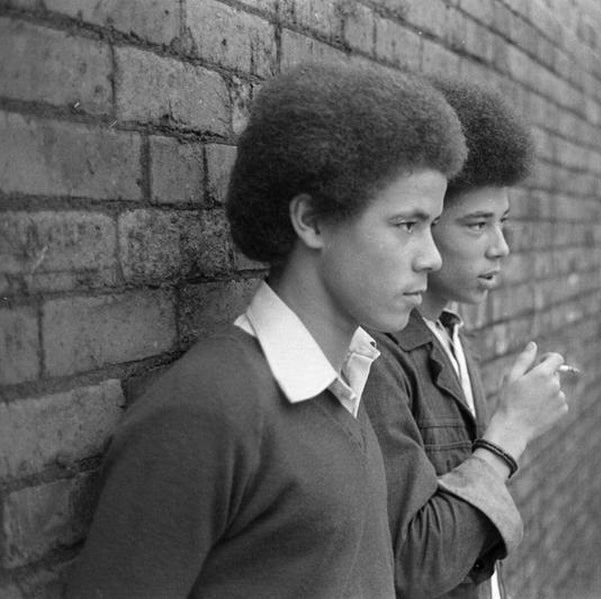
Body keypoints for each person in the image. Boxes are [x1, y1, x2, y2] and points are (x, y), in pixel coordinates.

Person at [65, 60, 467, 599]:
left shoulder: (350, 382)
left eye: (433, 226)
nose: (432, 258)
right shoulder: (209, 408)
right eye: (407, 225)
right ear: (312, 221)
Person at [363, 78, 570, 599]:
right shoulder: (378, 357)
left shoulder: (449, 336)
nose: (500, 247)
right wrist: (512, 430)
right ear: (422, 224)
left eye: (502, 223)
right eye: (477, 225)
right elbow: (415, 563)